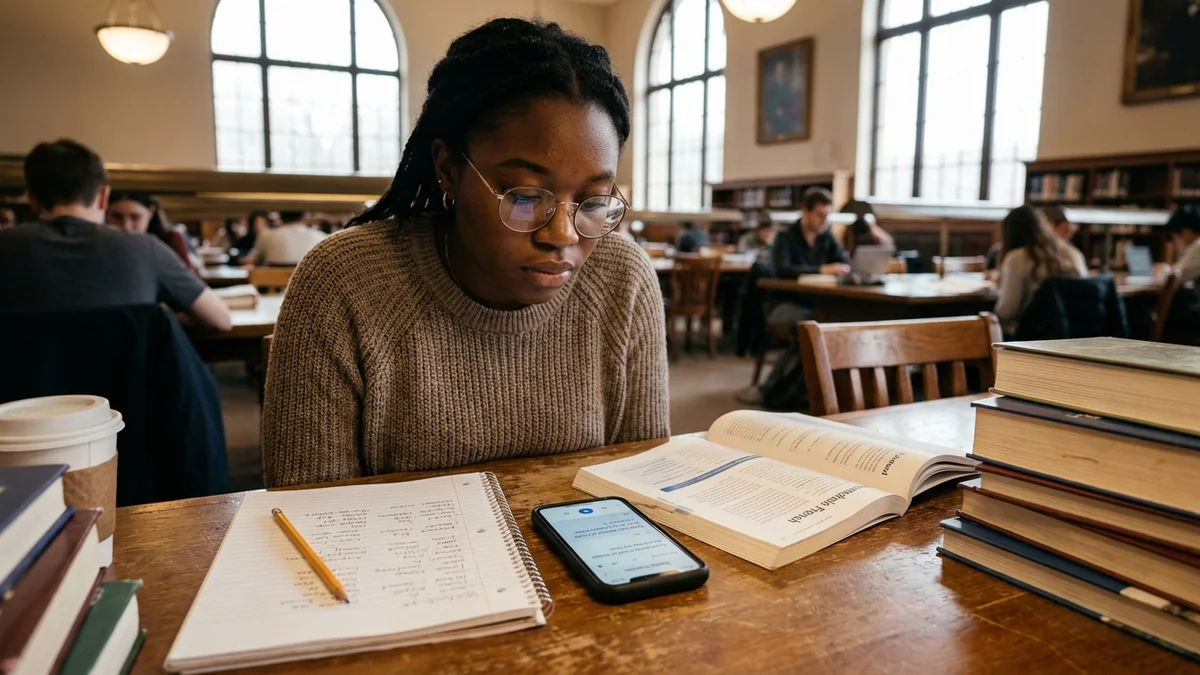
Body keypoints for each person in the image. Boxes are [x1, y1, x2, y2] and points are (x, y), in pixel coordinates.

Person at [261, 19, 668, 487]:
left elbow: (643, 489)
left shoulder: (623, 278)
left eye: (593, 202)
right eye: (524, 195)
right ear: (448, 169)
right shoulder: (343, 283)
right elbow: (308, 511)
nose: (562, 235)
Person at [0, 139, 231, 331]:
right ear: (103, 197)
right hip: (130, 387)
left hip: (20, 386)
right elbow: (221, 320)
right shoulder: (144, 249)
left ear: (30, 199)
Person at [994, 205, 1088, 336]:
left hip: (1032, 337)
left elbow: (1007, 310)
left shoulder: (1017, 258)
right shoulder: (1073, 253)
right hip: (1073, 333)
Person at [766, 187, 850, 329]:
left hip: (821, 299)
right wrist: (822, 270)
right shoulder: (785, 237)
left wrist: (841, 268)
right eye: (819, 215)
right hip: (790, 299)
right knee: (821, 317)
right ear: (805, 211)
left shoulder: (826, 236)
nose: (824, 220)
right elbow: (782, 270)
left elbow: (843, 262)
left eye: (827, 215)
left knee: (845, 314)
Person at [106, 191, 196, 271]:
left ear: (150, 213)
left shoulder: (170, 240)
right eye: (117, 217)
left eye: (135, 217)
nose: (126, 226)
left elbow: (188, 283)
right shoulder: (100, 244)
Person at [243, 210, 326, 267]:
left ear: (280, 215)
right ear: (304, 215)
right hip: (308, 290)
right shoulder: (320, 237)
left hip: (271, 290)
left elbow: (254, 261)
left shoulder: (267, 236)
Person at [1166, 204, 1200, 282]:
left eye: (1176, 236)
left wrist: (1164, 271)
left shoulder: (1197, 246)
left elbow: (1177, 275)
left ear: (1186, 232)